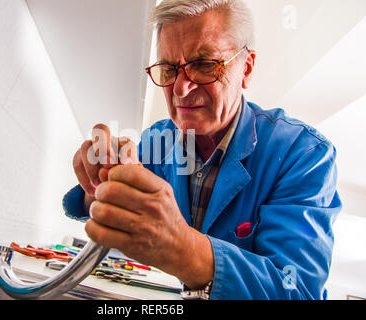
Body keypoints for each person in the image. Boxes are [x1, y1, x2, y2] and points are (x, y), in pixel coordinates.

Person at [63, 0, 341, 300]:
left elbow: (297, 291)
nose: (180, 89)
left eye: (205, 65)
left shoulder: (304, 154)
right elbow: (121, 216)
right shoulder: (158, 139)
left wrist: (185, 249)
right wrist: (101, 185)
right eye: (169, 69)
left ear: (246, 68)